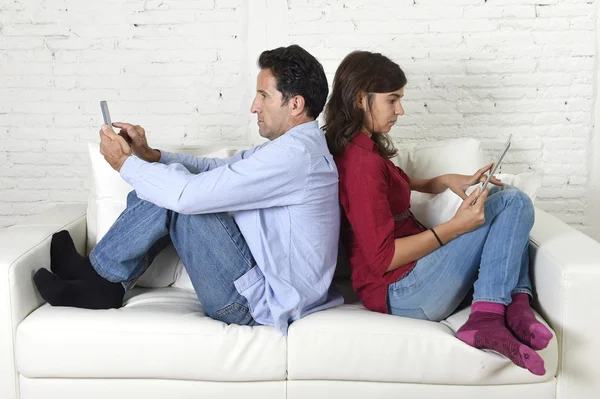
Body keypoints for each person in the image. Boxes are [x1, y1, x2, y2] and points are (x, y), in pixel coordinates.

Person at [33, 44, 343, 335]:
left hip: (254, 305)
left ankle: (101, 281)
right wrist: (152, 156)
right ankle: (98, 275)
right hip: (256, 289)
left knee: (177, 193)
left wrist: (124, 163)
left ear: (295, 104)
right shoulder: (292, 148)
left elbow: (188, 195)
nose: (254, 106)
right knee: (166, 180)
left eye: (263, 95)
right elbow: (218, 170)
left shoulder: (294, 157)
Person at [323, 50, 552, 375]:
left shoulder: (363, 150)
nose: (400, 110)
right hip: (400, 290)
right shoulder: (362, 165)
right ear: (361, 99)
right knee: (510, 202)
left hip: (413, 281)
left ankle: (515, 308)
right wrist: (455, 227)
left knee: (502, 202)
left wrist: (443, 180)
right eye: (393, 100)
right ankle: (490, 316)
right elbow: (383, 259)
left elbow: (390, 187)